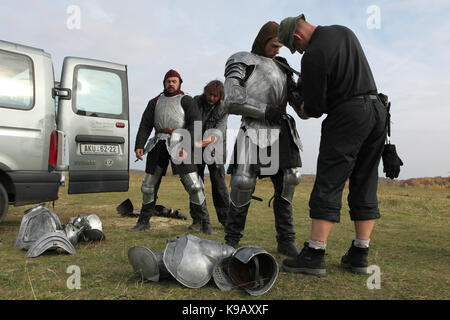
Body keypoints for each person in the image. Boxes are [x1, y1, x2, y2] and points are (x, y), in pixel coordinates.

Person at [278, 14, 387, 276]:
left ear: (297, 37)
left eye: (297, 47)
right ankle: (360, 254)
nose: (299, 51)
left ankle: (314, 254)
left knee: (329, 180)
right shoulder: (344, 31)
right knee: (365, 179)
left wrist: (297, 98)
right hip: (377, 111)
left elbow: (314, 108)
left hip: (349, 115)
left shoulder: (313, 54)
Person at [223, 21, 305, 257]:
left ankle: (286, 241)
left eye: (281, 46)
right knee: (242, 182)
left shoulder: (283, 67)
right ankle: (231, 240)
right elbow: (231, 100)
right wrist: (267, 111)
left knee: (289, 180)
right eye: (274, 44)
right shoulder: (241, 60)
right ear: (263, 40)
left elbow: (301, 110)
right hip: (253, 127)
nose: (278, 50)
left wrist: (307, 86)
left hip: (282, 129)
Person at [132, 69, 215, 235]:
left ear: (179, 83)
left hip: (180, 144)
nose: (171, 84)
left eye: (174, 81)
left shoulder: (187, 100)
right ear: (164, 83)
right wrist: (139, 144)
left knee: (194, 186)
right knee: (148, 186)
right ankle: (143, 222)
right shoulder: (154, 102)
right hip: (157, 145)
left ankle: (205, 224)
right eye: (168, 81)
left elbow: (195, 124)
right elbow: (145, 124)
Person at [193, 80, 230, 229]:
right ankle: (197, 220)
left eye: (215, 96)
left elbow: (216, 135)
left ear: (220, 96)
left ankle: (226, 221)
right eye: (209, 94)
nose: (211, 98)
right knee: (195, 184)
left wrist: (198, 144)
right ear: (205, 91)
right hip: (196, 148)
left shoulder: (224, 108)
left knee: (219, 185)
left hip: (215, 148)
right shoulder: (195, 101)